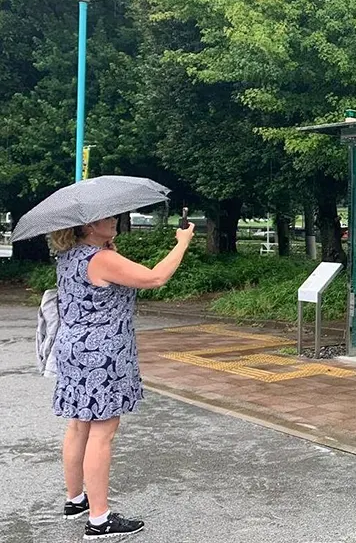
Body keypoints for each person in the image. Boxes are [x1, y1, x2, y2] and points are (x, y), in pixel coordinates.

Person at [49, 216, 194, 539]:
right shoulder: (102, 259)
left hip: (73, 348)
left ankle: (76, 500)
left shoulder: (70, 256)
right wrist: (182, 242)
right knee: (103, 432)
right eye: (107, 218)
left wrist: (107, 248)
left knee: (78, 425)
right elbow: (155, 277)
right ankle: (99, 520)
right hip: (103, 354)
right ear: (87, 226)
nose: (114, 220)